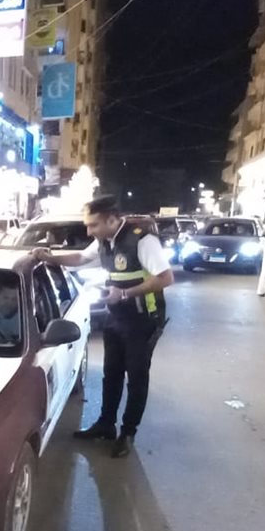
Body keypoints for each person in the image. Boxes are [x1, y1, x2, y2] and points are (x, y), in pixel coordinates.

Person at [33, 196, 175, 458]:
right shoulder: (104, 241)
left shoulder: (142, 240)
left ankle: (127, 433)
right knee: (111, 374)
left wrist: (124, 294)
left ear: (112, 219)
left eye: (93, 225)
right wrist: (50, 257)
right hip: (116, 317)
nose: (89, 231)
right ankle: (106, 425)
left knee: (137, 379)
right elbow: (80, 257)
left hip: (143, 320)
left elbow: (166, 278)